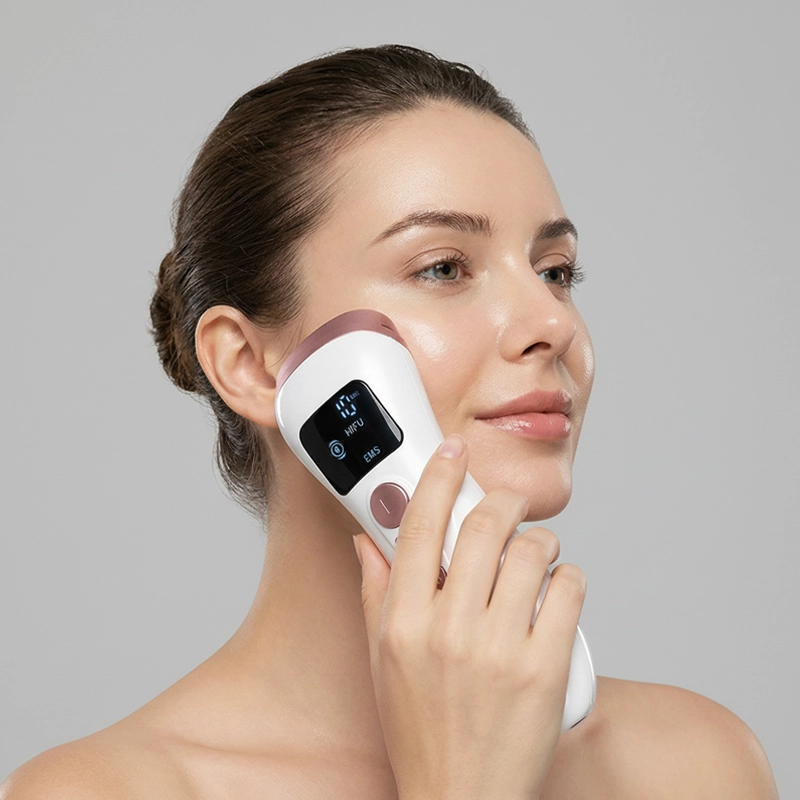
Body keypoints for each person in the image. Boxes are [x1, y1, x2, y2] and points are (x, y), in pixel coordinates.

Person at [1, 45, 778, 799]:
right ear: (249, 365)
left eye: (555, 271)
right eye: (442, 268)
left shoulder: (698, 766)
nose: (553, 322)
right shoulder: (97, 792)